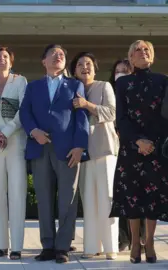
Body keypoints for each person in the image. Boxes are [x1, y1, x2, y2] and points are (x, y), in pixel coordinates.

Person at [19, 44, 89, 264]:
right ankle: (47, 246)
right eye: (53, 54)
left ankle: (62, 247)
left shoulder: (75, 84)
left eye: (61, 55)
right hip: (40, 147)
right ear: (44, 60)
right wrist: (33, 131)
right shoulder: (33, 86)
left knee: (67, 199)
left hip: (68, 150)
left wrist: (80, 146)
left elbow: (82, 116)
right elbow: (24, 112)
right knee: (44, 199)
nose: (58, 56)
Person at [110, 40, 168, 264]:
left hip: (156, 148)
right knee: (132, 197)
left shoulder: (163, 80)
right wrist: (137, 141)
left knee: (152, 198)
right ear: (131, 58)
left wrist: (151, 142)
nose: (142, 53)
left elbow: (165, 115)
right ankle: (135, 243)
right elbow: (121, 117)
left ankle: (150, 242)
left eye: (146, 50)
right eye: (137, 50)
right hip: (131, 148)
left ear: (151, 56)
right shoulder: (123, 83)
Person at [70, 52, 119, 260]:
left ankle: (111, 248)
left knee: (107, 199)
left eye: (88, 64)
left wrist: (86, 105)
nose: (85, 67)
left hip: (104, 149)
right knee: (88, 200)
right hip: (83, 152)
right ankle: (90, 247)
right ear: (74, 71)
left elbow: (111, 113)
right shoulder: (72, 90)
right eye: (80, 64)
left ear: (95, 68)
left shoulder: (103, 86)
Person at [0, 47, 27, 259]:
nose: (1, 59)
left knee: (17, 193)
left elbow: (23, 111)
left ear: (11, 62)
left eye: (5, 57)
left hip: (15, 143)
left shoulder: (20, 82)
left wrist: (7, 132)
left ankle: (16, 246)